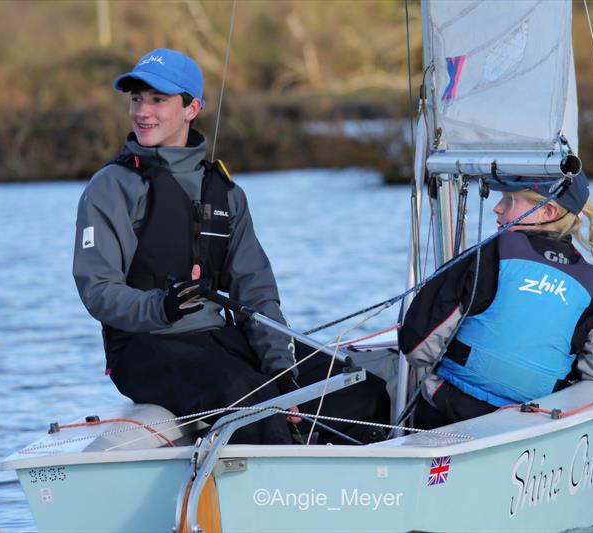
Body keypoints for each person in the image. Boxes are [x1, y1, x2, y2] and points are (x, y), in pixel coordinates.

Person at [73, 48, 389, 444]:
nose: (142, 111)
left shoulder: (225, 193)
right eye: (136, 98)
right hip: (146, 348)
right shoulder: (111, 187)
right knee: (254, 405)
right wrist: (160, 306)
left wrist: (281, 368)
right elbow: (97, 289)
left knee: (360, 391)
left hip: (219, 340)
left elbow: (257, 292)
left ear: (192, 108)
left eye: (158, 99)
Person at [398, 173, 593, 428]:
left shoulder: (485, 259)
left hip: (449, 413)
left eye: (509, 199)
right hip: (531, 426)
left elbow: (417, 347)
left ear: (547, 211)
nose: (497, 207)